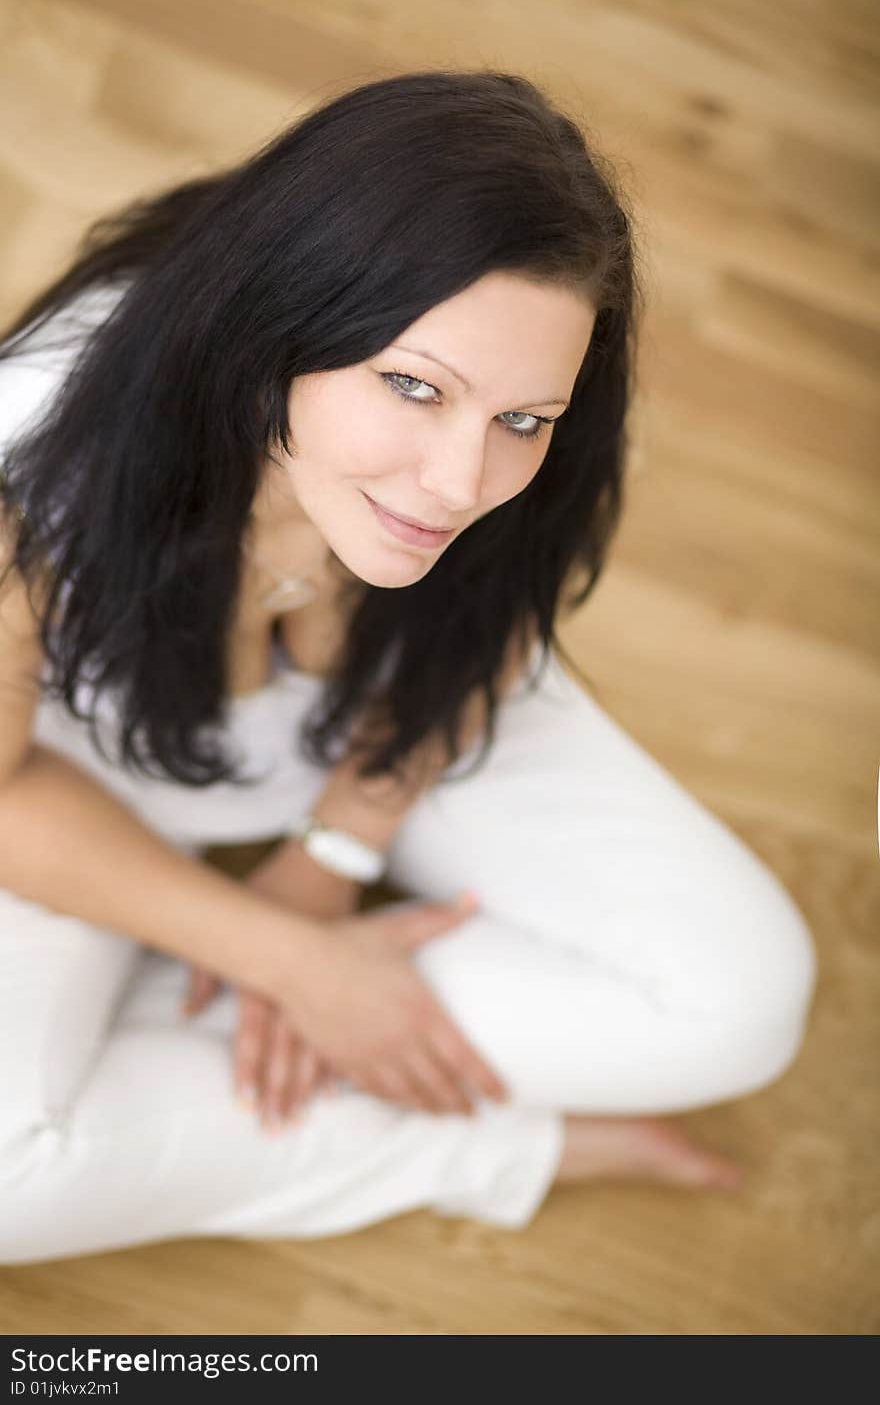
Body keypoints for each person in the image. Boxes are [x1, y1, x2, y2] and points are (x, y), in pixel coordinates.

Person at [0, 70, 817, 1265]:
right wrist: (283, 956)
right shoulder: (34, 458)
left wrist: (336, 852)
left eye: (521, 422)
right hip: (76, 791)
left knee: (742, 1006)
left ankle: (163, 1025)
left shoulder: (519, 424)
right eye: (413, 387)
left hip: (375, 725)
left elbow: (484, 626)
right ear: (280, 324)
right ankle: (461, 1137)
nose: (459, 484)